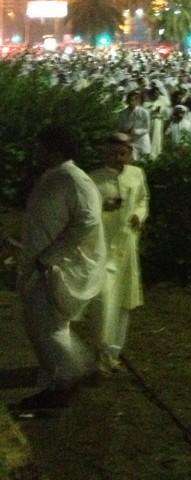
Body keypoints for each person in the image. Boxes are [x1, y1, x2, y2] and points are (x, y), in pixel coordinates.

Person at [15, 125, 106, 412]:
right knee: (49, 327)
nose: (36, 153)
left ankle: (63, 386)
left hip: (56, 268)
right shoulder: (54, 176)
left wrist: (50, 257)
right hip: (42, 263)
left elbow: (88, 220)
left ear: (54, 150)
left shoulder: (74, 179)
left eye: (41, 147)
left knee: (47, 328)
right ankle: (71, 374)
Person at [89, 133, 149, 372]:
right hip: (103, 248)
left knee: (123, 301)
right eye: (113, 153)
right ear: (105, 153)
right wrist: (103, 207)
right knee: (103, 301)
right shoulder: (94, 179)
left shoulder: (137, 174)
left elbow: (143, 199)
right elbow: (85, 212)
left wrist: (138, 215)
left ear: (130, 154)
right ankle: (100, 351)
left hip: (127, 246)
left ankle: (114, 352)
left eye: (123, 153)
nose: (118, 158)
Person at [117, 90, 151, 159]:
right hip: (129, 140)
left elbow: (147, 128)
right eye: (129, 100)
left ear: (137, 101)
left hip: (142, 139)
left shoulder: (144, 112)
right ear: (127, 101)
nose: (131, 102)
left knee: (144, 158)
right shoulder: (122, 113)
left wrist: (136, 131)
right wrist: (125, 131)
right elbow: (120, 127)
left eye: (133, 100)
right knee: (132, 159)